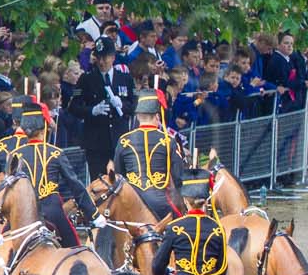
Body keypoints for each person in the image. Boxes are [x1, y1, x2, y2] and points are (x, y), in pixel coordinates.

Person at [14, 105, 96, 247]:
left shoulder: (14, 155)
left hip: (22, 214)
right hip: (52, 212)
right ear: (44, 128)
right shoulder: (55, 153)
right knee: (74, 249)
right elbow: (75, 185)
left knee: (2, 243)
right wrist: (93, 214)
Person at [154, 175, 231, 275]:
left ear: (185, 200)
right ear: (205, 202)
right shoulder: (218, 228)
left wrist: (165, 273)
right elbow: (222, 269)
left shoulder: (174, 227)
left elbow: (157, 268)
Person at [113, 92, 185, 218]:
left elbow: (119, 174)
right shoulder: (169, 140)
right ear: (157, 116)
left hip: (132, 202)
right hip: (161, 204)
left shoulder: (123, 140)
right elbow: (178, 176)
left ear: (138, 117)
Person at [68, 36, 132, 177]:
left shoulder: (124, 78)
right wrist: (92, 110)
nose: (102, 62)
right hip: (96, 142)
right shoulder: (86, 79)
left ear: (113, 57)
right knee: (99, 183)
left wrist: (122, 104)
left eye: (105, 57)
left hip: (119, 140)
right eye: (99, 58)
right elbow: (73, 107)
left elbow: (133, 105)